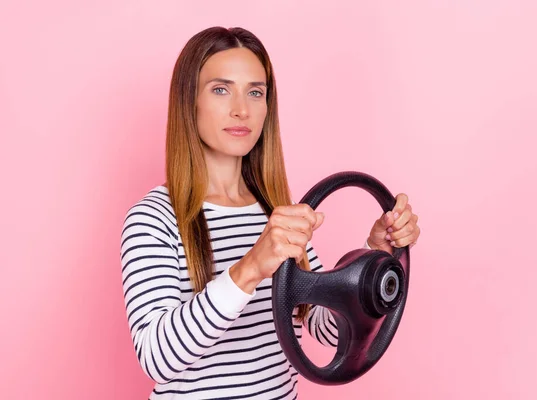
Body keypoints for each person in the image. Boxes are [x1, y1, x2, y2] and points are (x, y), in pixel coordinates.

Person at [120, 26, 421, 400]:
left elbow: (327, 331)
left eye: (255, 92)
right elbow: (157, 357)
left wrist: (374, 257)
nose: (240, 109)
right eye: (220, 89)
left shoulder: (275, 212)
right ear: (189, 102)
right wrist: (250, 267)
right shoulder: (154, 218)